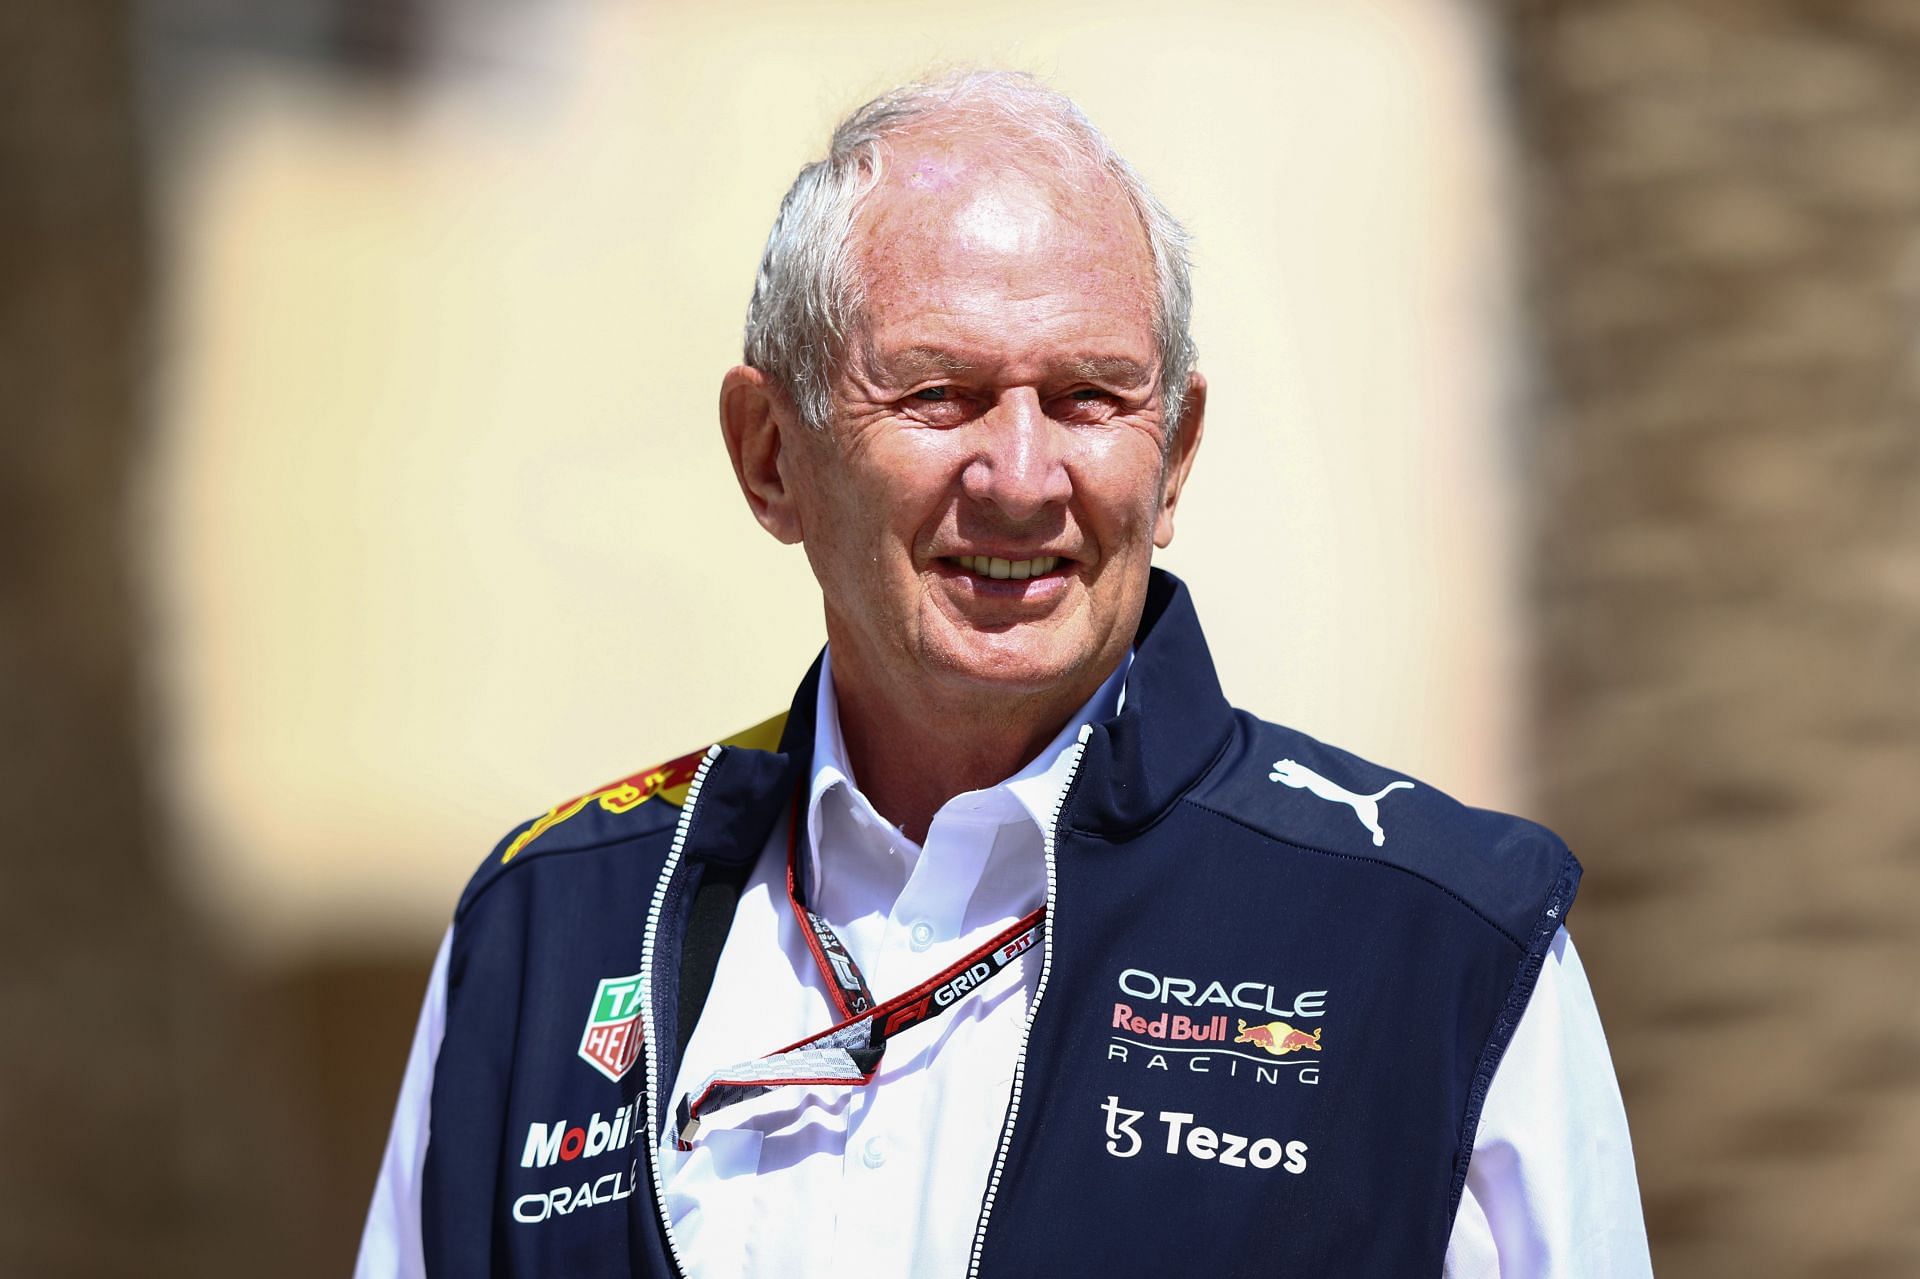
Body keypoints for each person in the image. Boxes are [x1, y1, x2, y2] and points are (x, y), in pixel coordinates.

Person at [357, 71, 1653, 1278]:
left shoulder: (1438, 939)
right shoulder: (549, 927)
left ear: (1177, 454)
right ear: (770, 457)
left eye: (1092, 396)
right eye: (938, 393)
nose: (1023, 479)